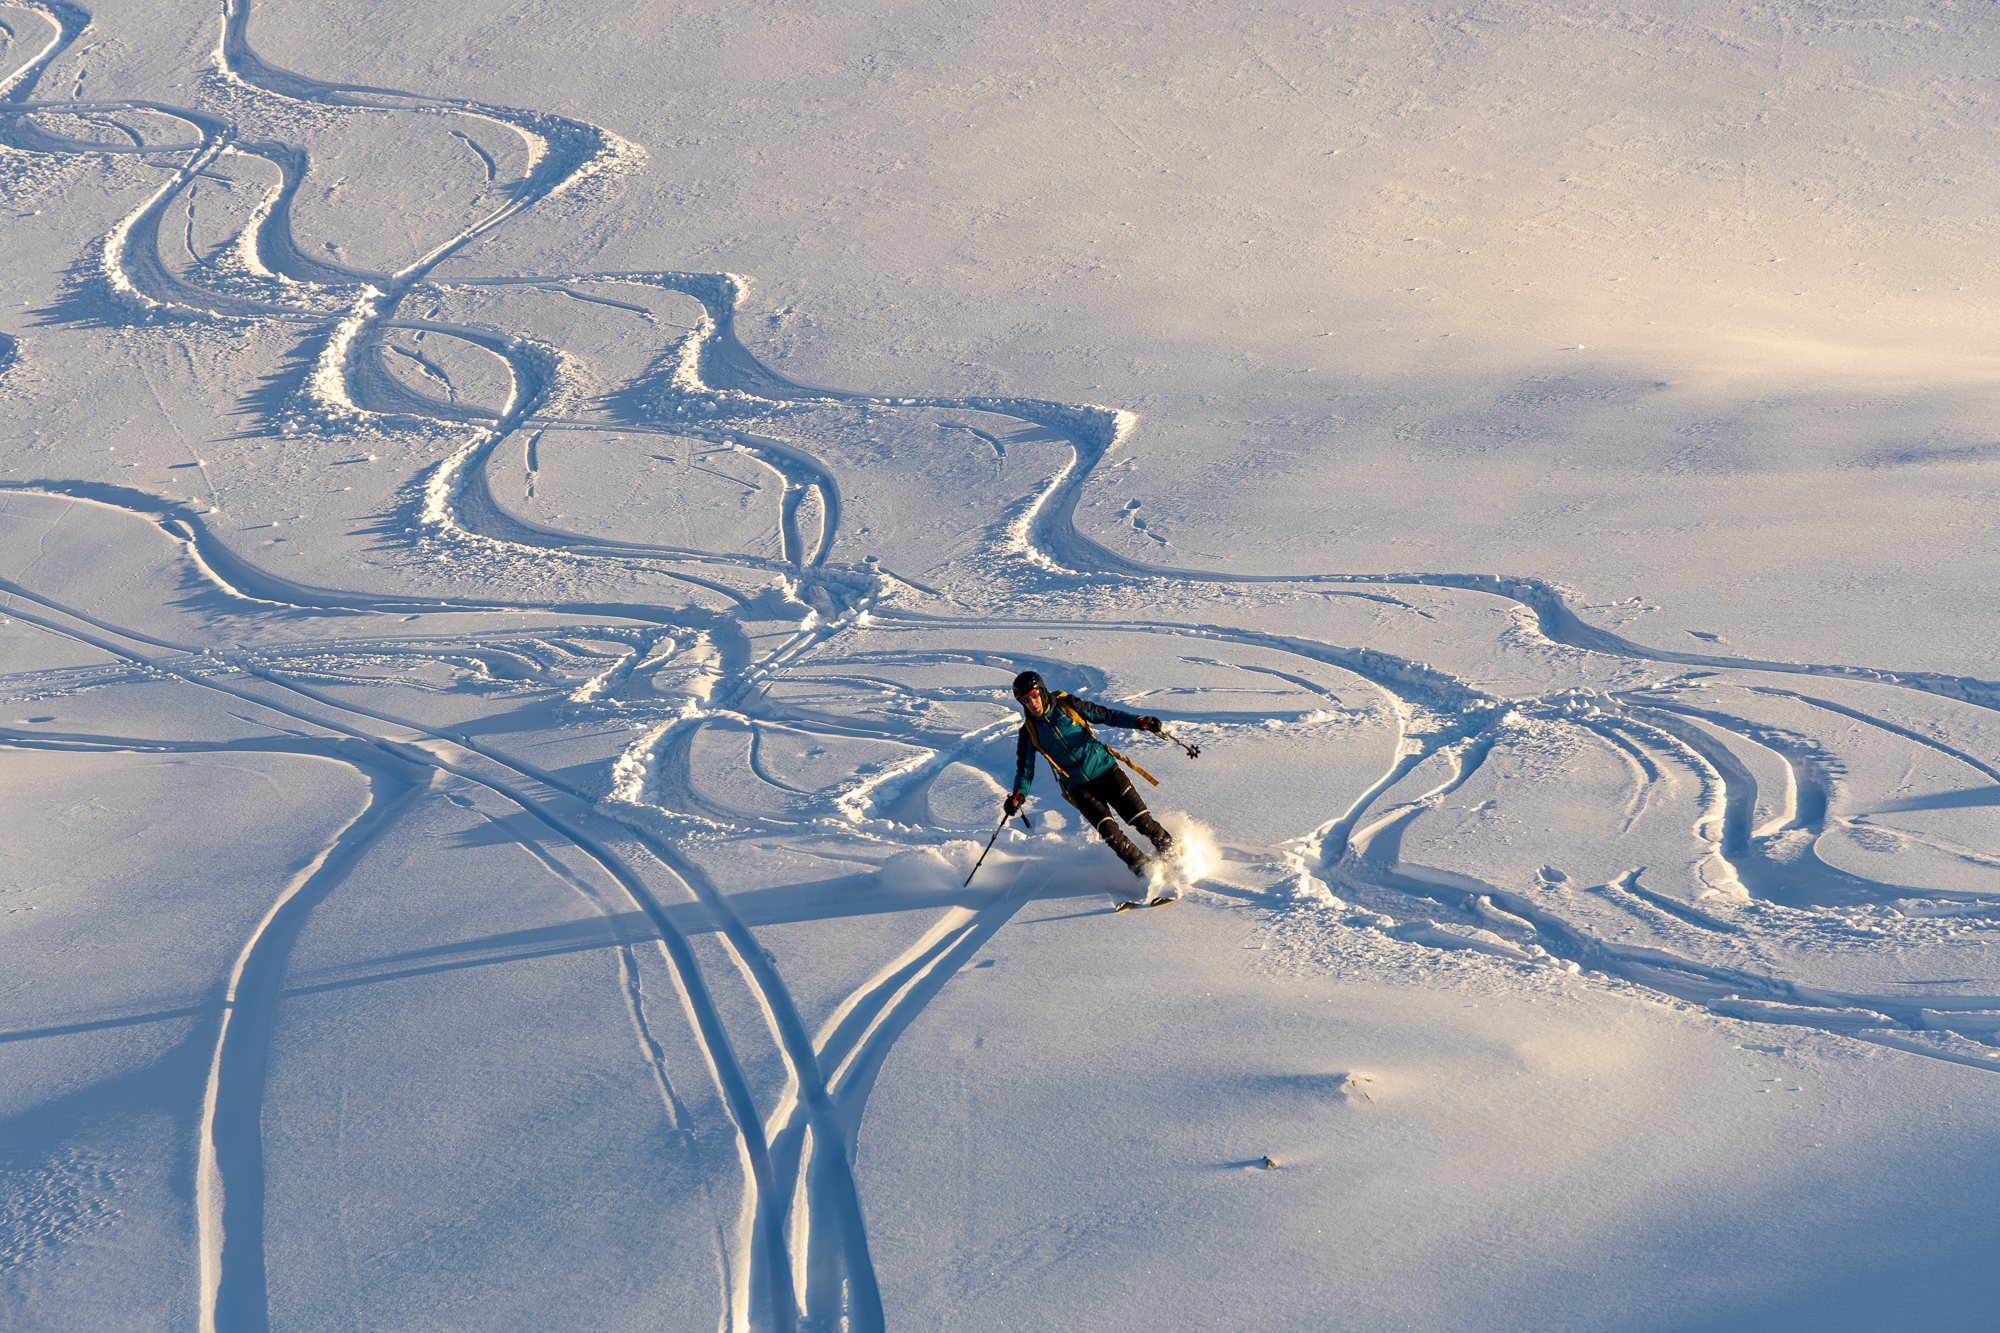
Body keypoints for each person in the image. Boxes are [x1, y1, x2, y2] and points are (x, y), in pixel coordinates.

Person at [1005, 669, 1176, 883]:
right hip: (1079, 788)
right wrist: (1018, 795)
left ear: (1042, 691)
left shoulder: (1068, 705)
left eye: (1034, 696)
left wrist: (1139, 722)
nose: (1032, 703)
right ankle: (1147, 874)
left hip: (1106, 771)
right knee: (1110, 833)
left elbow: (1108, 715)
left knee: (1141, 821)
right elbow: (1025, 770)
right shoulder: (1028, 733)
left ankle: (1174, 857)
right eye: (1025, 700)